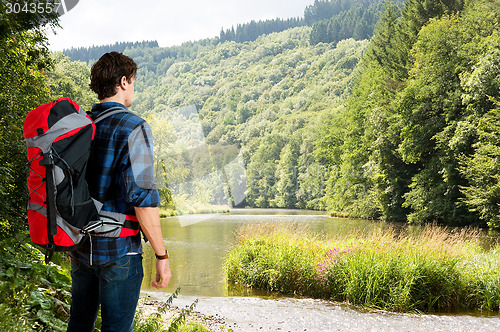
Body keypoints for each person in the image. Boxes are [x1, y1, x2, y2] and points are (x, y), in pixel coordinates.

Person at [67, 52, 171, 332]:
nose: (133, 88)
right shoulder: (134, 127)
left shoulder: (79, 125)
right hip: (119, 251)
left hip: (80, 248)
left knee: (78, 325)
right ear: (124, 81)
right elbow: (143, 200)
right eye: (133, 81)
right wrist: (162, 256)